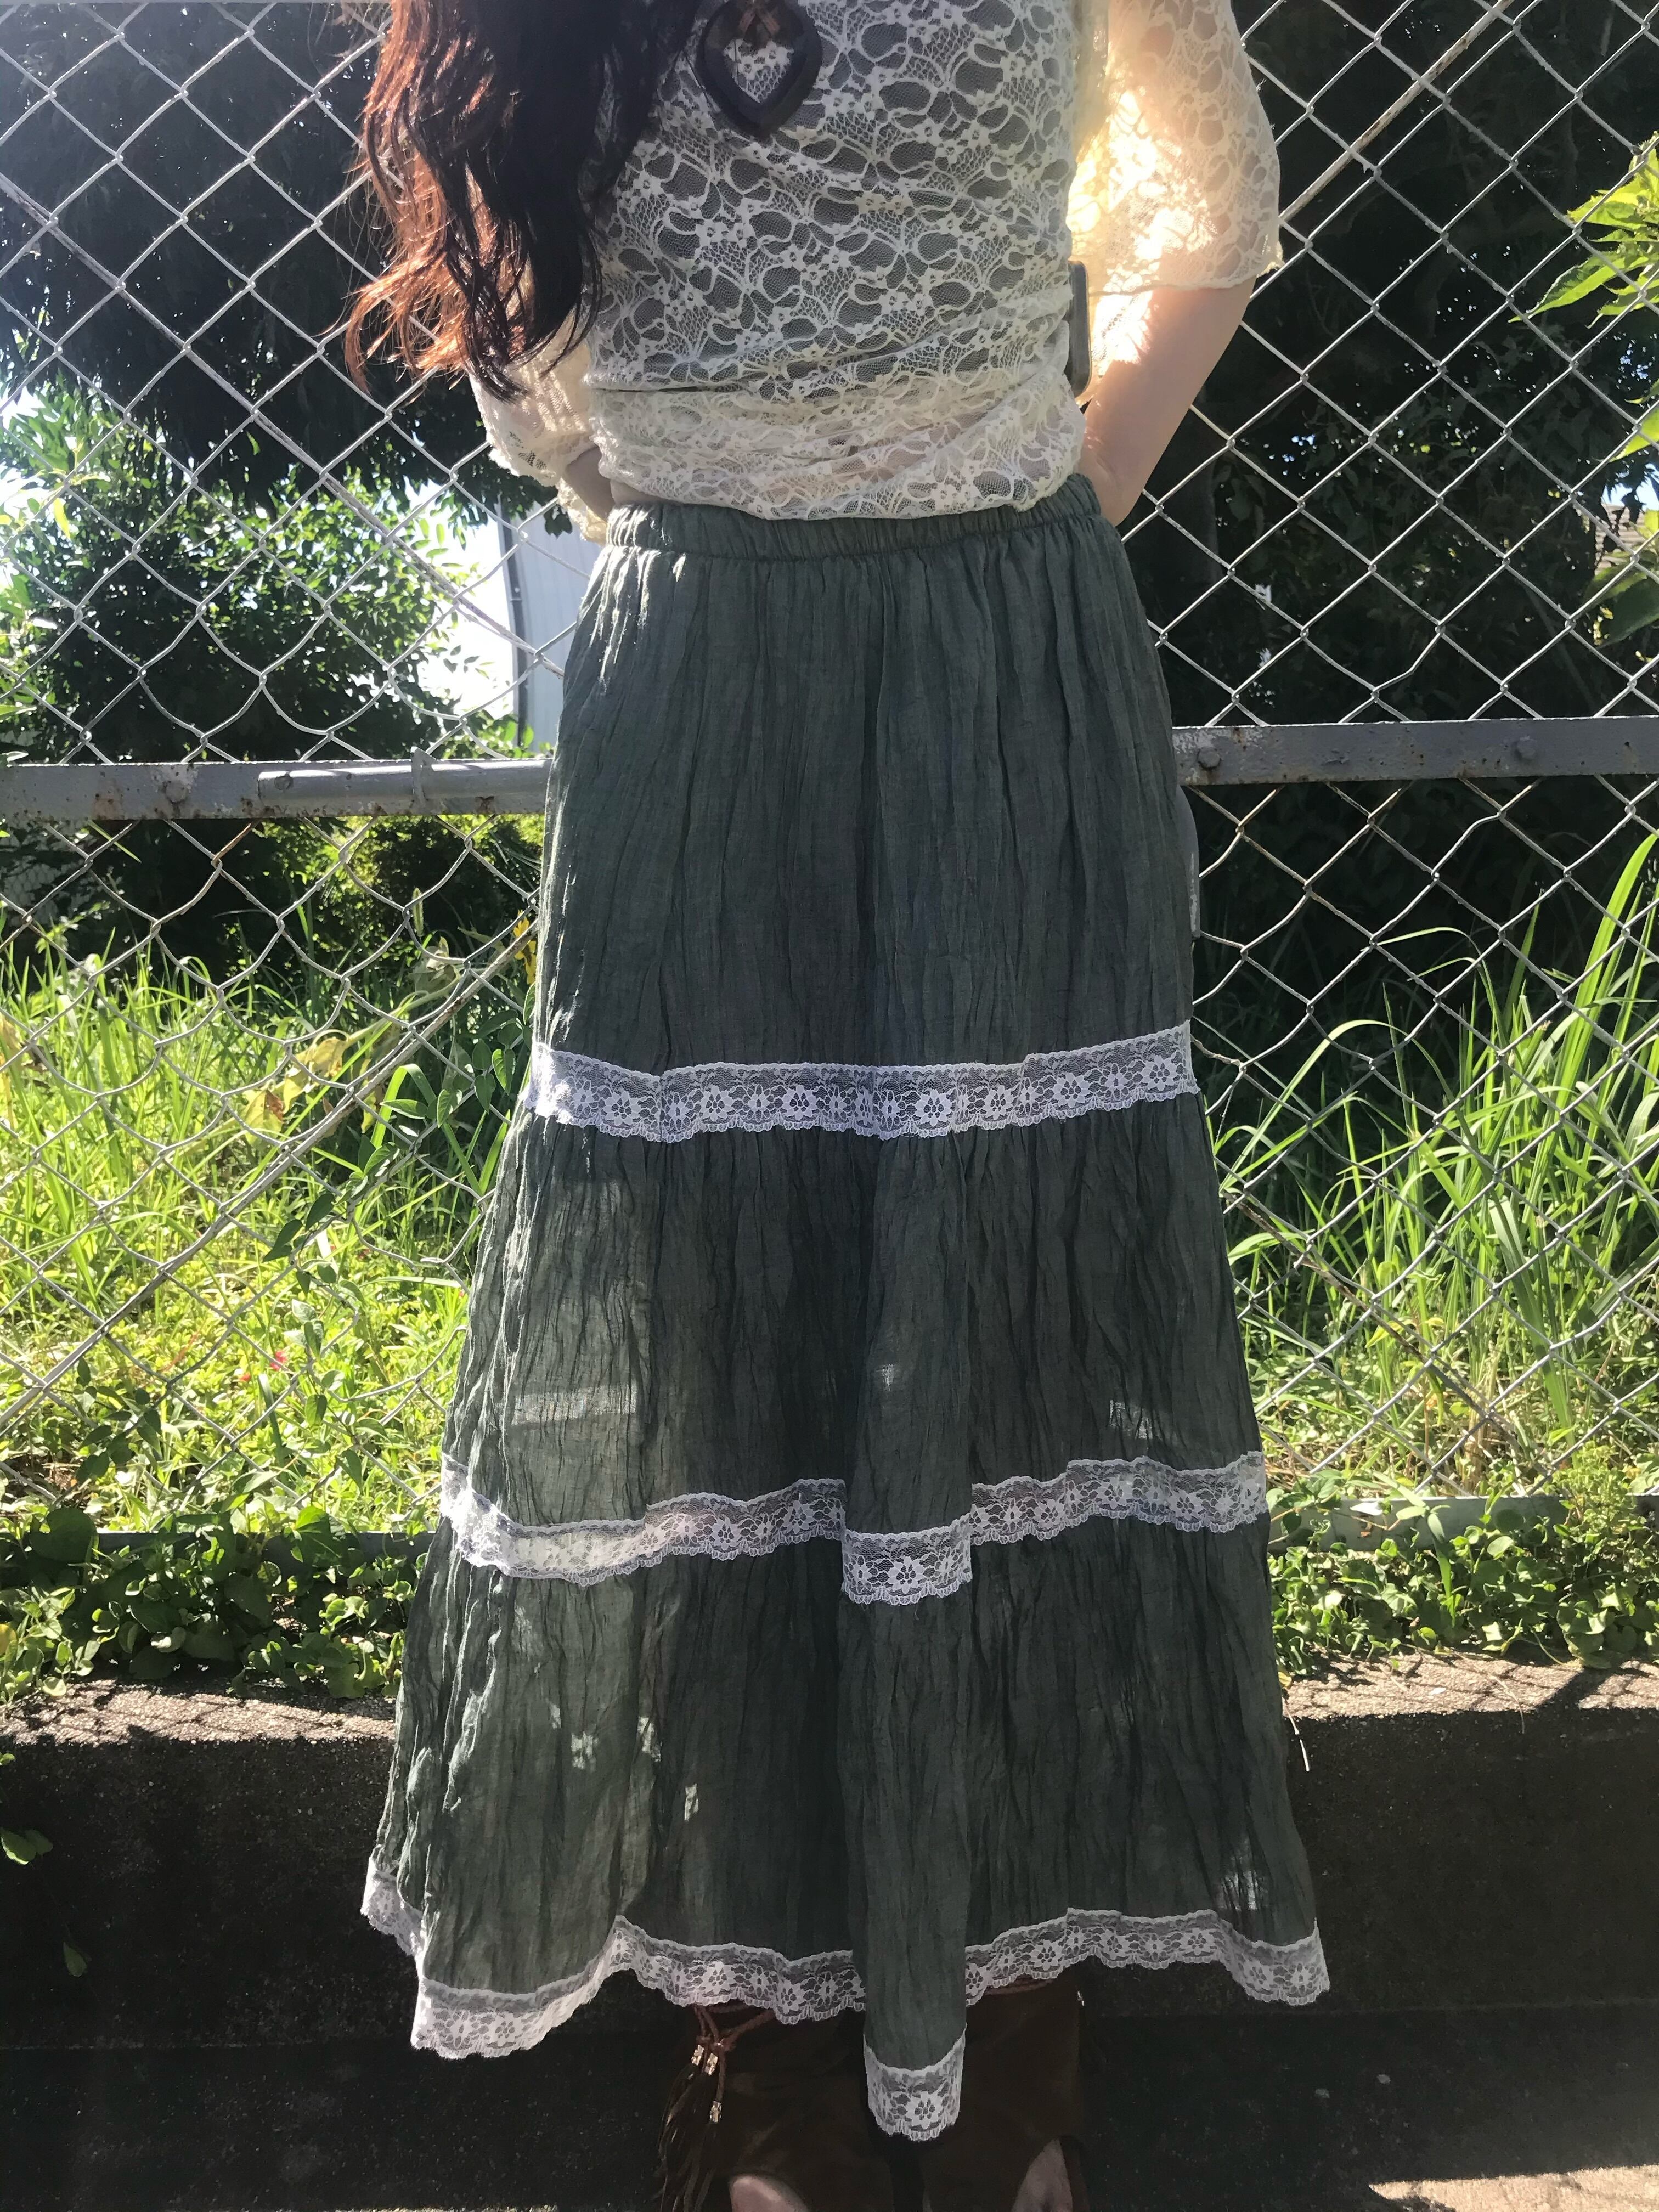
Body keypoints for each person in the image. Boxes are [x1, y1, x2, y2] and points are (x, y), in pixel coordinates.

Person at [348, 0, 1326, 2203]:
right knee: (732, 1356)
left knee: (1017, 1342)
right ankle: (768, 2042)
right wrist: (751, 504)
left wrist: (1052, 497)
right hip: (706, 675)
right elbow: (536, 363)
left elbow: (1205, 208)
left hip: (1005, 651)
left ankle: (1016, 2032)